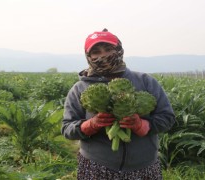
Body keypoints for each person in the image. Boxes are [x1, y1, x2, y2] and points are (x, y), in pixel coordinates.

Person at [61, 28, 175, 180]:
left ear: (119, 49)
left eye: (108, 49)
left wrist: (143, 125)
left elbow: (167, 118)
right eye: (96, 52)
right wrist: (90, 125)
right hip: (96, 167)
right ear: (88, 56)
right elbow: (67, 128)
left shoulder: (145, 81)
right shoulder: (79, 89)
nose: (103, 56)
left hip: (144, 166)